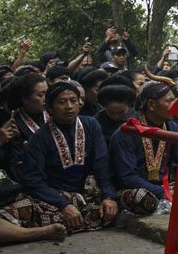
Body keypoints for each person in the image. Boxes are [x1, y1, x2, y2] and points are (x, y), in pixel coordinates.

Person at [16, 82, 118, 232]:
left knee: (130, 200)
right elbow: (32, 180)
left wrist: (109, 196)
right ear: (49, 108)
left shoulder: (91, 124)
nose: (69, 106)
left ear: (79, 103)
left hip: (88, 193)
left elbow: (102, 164)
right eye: (62, 102)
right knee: (28, 210)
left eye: (73, 100)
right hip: (56, 195)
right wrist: (63, 204)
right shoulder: (39, 137)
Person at [110, 82, 178, 215]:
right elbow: (127, 177)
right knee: (141, 197)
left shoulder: (172, 127)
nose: (175, 105)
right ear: (151, 105)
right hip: (135, 189)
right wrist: (162, 192)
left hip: (164, 186)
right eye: (169, 101)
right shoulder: (127, 131)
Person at [94, 84, 136, 150]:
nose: (116, 116)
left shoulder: (139, 118)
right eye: (111, 112)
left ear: (129, 105)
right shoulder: (96, 122)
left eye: (121, 112)